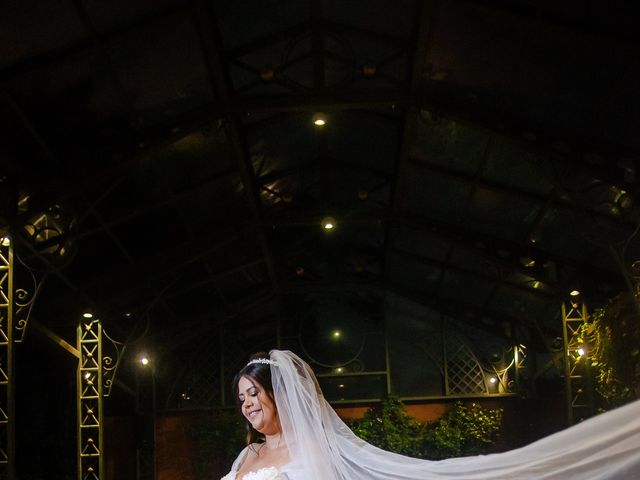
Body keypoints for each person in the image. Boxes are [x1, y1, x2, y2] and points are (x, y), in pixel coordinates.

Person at [221, 349, 640, 480]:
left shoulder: (315, 450)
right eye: (241, 398)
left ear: (282, 395)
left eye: (254, 393)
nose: (247, 404)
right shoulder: (247, 458)